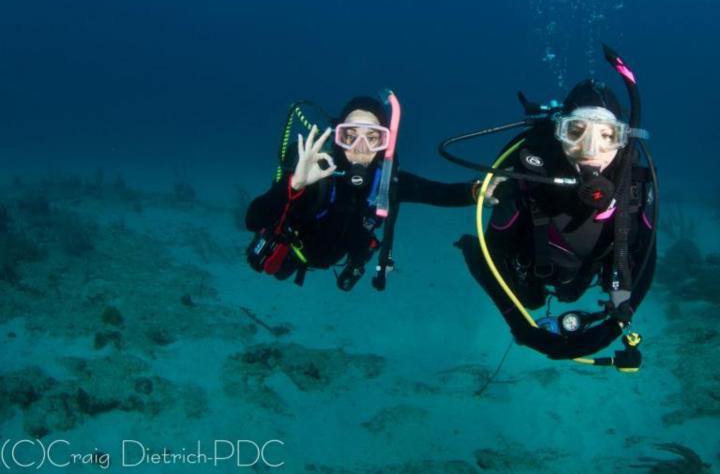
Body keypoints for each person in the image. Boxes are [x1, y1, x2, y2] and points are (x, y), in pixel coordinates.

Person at [443, 45, 658, 364]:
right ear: (559, 134)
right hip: (532, 273)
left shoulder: (635, 186)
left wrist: (613, 326)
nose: (590, 149)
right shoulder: (529, 176)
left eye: (607, 135)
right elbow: (494, 254)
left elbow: (646, 260)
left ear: (623, 139)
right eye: (576, 131)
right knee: (528, 299)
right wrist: (521, 326)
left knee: (574, 289)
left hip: (588, 274)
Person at [246, 94, 480, 291]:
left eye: (372, 138)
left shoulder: (387, 183)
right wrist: (295, 183)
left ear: (384, 143)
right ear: (338, 138)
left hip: (341, 258)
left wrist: (478, 191)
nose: (360, 149)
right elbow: (253, 220)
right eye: (350, 136)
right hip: (297, 254)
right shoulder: (318, 176)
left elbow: (440, 193)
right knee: (278, 273)